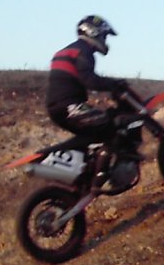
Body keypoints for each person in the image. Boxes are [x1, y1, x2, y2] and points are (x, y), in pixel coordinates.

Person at [45, 15, 139, 189]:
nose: (104, 40)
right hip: (71, 106)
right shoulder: (83, 52)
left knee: (93, 135)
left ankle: (85, 173)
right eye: (104, 36)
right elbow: (89, 80)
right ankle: (102, 177)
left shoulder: (67, 51)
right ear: (94, 33)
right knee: (113, 127)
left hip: (57, 108)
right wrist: (115, 84)